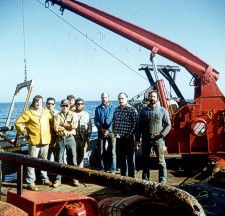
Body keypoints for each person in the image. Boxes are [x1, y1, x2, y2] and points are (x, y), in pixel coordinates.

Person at [14, 95, 53, 191]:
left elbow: (53, 123)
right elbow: (17, 123)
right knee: (31, 162)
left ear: (42, 103)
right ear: (33, 103)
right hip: (34, 141)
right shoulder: (28, 113)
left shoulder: (47, 112)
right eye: (36, 102)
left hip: (46, 141)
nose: (38, 104)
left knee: (44, 161)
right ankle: (30, 182)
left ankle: (45, 179)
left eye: (40, 102)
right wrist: (24, 131)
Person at [135, 90, 171, 184]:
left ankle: (162, 182)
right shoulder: (143, 111)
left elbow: (168, 125)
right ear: (148, 98)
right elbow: (139, 126)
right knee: (145, 162)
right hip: (146, 139)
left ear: (157, 98)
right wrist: (137, 139)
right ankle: (145, 181)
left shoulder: (163, 110)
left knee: (161, 162)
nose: (152, 98)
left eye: (154, 97)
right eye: (150, 96)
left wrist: (161, 134)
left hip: (158, 140)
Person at [53, 99, 79, 188]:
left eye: (66, 106)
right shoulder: (56, 116)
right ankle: (57, 179)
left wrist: (63, 124)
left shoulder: (74, 114)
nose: (64, 107)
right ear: (60, 106)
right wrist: (68, 126)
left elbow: (74, 126)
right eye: (63, 105)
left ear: (69, 106)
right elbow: (56, 128)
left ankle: (75, 178)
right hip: (60, 139)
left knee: (73, 159)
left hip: (70, 138)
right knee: (58, 159)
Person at [112, 92, 139, 178]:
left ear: (126, 99)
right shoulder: (116, 110)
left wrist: (130, 133)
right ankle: (123, 176)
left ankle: (132, 177)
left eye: (122, 98)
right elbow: (114, 121)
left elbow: (136, 123)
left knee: (130, 158)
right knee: (122, 158)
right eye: (119, 99)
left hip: (129, 138)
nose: (121, 100)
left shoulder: (132, 110)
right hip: (119, 138)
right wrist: (114, 131)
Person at [94, 92, 116, 173]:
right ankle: (103, 167)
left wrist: (108, 129)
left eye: (105, 97)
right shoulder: (97, 108)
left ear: (108, 97)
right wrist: (101, 129)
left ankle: (113, 169)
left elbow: (114, 120)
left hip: (111, 132)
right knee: (101, 150)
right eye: (102, 97)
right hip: (101, 131)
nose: (104, 99)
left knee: (112, 150)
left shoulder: (114, 107)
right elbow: (96, 120)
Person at [74, 98, 92, 168]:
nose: (80, 105)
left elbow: (89, 127)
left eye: (81, 104)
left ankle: (80, 169)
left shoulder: (86, 114)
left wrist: (88, 137)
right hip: (74, 137)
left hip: (83, 138)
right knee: (73, 155)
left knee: (81, 155)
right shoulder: (72, 113)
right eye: (78, 104)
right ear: (75, 104)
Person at [46, 97, 59, 161]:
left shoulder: (58, 113)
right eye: (49, 104)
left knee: (57, 156)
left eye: (52, 104)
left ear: (55, 105)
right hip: (46, 138)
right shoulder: (43, 113)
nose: (50, 105)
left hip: (56, 138)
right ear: (46, 104)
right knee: (46, 157)